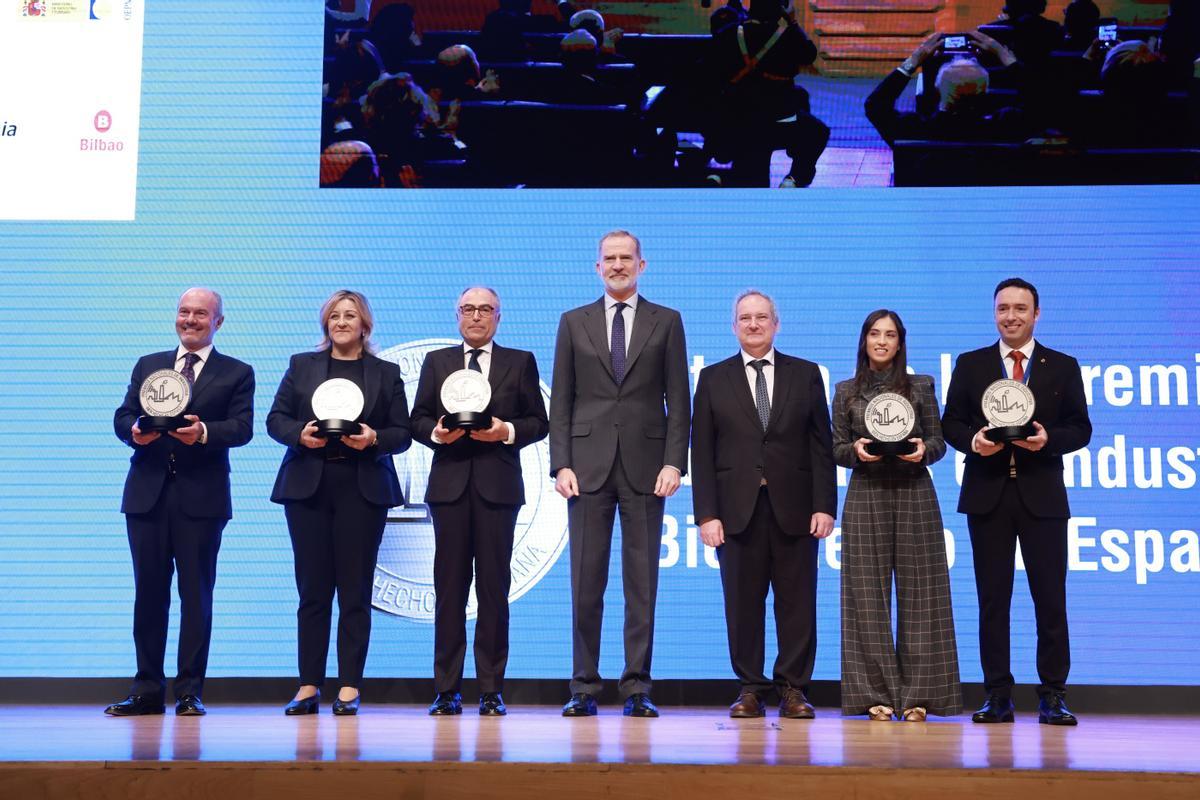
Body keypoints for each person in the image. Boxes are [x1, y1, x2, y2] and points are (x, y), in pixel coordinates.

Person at [550, 230, 690, 718]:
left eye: (625, 258)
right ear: (597, 267)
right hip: (585, 471)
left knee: (641, 584)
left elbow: (679, 402)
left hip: (647, 469)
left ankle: (636, 688)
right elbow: (561, 401)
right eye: (608, 259)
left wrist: (675, 462)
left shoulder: (667, 321)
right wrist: (560, 463)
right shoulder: (573, 322)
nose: (616, 265)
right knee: (586, 584)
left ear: (641, 265)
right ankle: (584, 687)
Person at [942, 278, 1092, 726]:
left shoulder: (1062, 366)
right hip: (988, 496)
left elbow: (1081, 428)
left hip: (1042, 496)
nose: (1012, 316)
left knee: (1050, 599)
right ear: (994, 313)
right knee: (993, 600)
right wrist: (973, 441)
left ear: (1036, 314)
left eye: (1020, 309)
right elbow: (951, 423)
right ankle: (997, 696)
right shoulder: (971, 364)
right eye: (1004, 308)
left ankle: (1052, 695)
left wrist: (1048, 441)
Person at [107, 288, 255, 717]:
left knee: (197, 595)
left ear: (218, 322)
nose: (190, 320)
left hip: (202, 498)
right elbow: (122, 415)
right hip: (147, 495)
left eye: (201, 314)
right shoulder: (148, 365)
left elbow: (242, 428)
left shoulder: (237, 372)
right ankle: (146, 690)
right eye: (184, 312)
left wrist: (205, 431)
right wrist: (133, 430)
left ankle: (189, 691)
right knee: (148, 595)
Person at [691, 290, 835, 719]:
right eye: (745, 318)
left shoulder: (806, 374)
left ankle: (793, 689)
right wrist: (706, 514)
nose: (753, 325)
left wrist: (825, 505)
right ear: (733, 326)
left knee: (797, 604)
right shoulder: (713, 378)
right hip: (736, 512)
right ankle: (751, 688)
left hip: (795, 509)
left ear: (776, 323)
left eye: (762, 317)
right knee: (742, 605)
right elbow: (701, 452)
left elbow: (820, 447)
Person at [267, 289, 412, 716]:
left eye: (350, 316)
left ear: (365, 325)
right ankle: (308, 686)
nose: (342, 322)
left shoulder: (386, 372)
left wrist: (374, 439)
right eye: (334, 316)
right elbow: (276, 419)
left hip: (362, 486)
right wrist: (299, 434)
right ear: (325, 324)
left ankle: (349, 687)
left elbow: (401, 433)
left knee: (354, 591)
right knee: (312, 592)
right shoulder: (301, 365)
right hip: (308, 484)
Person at [411, 287, 549, 717]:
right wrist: (437, 433)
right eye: (468, 309)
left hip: (498, 488)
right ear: (457, 316)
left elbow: (538, 423)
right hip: (449, 488)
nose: (476, 316)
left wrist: (505, 430)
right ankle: (446, 689)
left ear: (498, 317)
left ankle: (491, 688)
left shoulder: (520, 361)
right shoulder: (438, 363)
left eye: (485, 309)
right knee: (449, 590)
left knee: (494, 590)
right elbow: (416, 419)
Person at [831, 310, 960, 723]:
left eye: (890, 335)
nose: (881, 341)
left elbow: (939, 441)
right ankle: (876, 696)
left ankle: (919, 696)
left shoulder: (921, 385)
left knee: (922, 595)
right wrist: (855, 452)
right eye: (874, 333)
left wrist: (924, 451)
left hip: (913, 491)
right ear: (864, 340)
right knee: (865, 597)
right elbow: (835, 447)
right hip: (866, 493)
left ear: (900, 342)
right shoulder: (845, 390)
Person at [704, 0, 829, 187]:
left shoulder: (728, 34)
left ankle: (724, 178)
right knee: (818, 131)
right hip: (777, 124)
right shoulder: (788, 37)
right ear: (780, 11)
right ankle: (794, 178)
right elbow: (809, 53)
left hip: (736, 121)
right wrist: (793, 22)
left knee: (752, 176)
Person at [866, 30, 1032, 146]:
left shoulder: (915, 129)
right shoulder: (1006, 127)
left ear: (937, 90)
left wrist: (914, 61)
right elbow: (1040, 103)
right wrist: (1004, 55)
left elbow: (875, 105)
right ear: (986, 92)